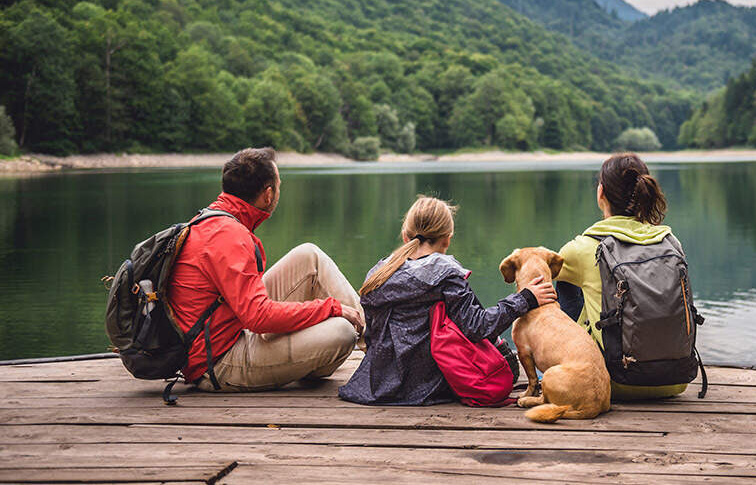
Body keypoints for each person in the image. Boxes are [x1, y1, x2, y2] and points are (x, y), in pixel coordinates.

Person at [169, 147, 365, 392]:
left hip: (230, 328)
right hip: (218, 363)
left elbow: (251, 311)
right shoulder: (230, 236)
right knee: (342, 332)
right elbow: (259, 318)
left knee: (309, 256)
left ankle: (376, 344)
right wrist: (331, 308)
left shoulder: (213, 219)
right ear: (268, 194)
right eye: (279, 184)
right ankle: (376, 347)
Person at [339, 196, 557, 405]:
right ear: (447, 238)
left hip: (376, 383)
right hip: (428, 385)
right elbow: (478, 327)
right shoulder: (446, 274)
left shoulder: (378, 273)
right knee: (504, 359)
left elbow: (371, 335)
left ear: (406, 235)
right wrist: (524, 299)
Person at [555, 153, 688, 400]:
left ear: (600, 193)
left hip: (610, 381)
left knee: (563, 280)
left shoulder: (582, 248)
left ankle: (561, 365)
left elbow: (541, 276)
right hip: (676, 379)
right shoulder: (671, 242)